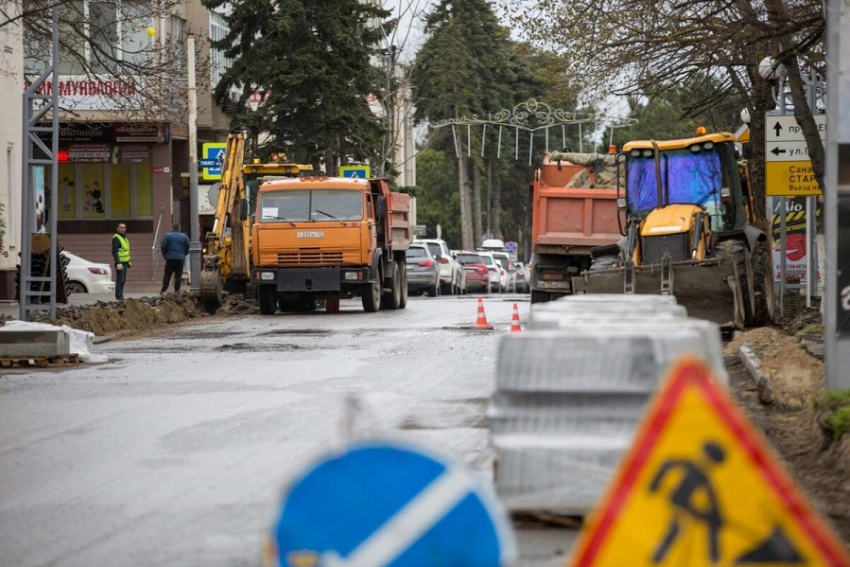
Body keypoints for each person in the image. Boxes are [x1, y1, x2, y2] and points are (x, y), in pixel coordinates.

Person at [160, 223, 190, 294]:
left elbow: (163, 247)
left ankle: (164, 289)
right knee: (178, 275)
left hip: (170, 258)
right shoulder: (184, 237)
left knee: (167, 274)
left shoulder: (167, 236)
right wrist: (183, 254)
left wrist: (166, 255)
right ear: (179, 228)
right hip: (180, 259)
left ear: (172, 228)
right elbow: (188, 247)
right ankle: (177, 290)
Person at [112, 223, 131, 300]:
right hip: (120, 263)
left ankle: (121, 296)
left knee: (123, 280)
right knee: (120, 280)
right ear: (117, 229)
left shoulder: (124, 238)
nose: (123, 229)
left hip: (125, 262)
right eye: (121, 227)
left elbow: (126, 251)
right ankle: (119, 297)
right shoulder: (116, 238)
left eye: (124, 227)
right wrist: (118, 262)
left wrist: (129, 260)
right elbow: (114, 251)